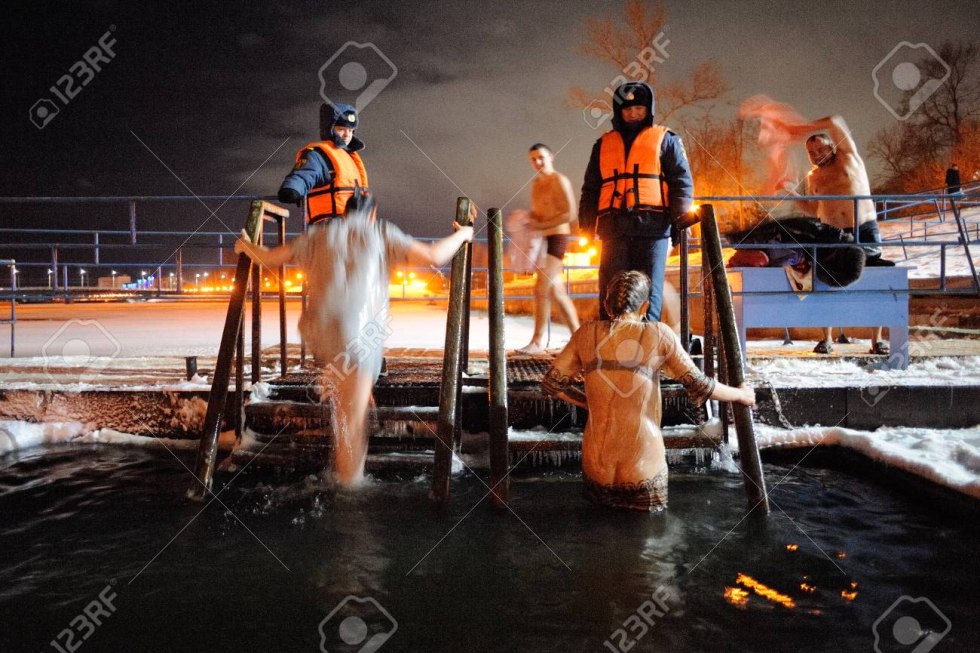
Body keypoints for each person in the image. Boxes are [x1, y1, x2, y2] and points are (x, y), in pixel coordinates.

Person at [235, 194, 474, 486]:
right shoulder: (381, 233)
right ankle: (351, 498)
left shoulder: (318, 235)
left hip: (321, 336)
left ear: (344, 214)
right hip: (360, 338)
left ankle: (346, 389)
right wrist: (463, 233)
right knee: (352, 422)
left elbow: (268, 258)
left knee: (345, 395)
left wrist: (246, 245)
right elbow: (435, 256)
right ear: (372, 215)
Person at [542, 271, 755, 511]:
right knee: (651, 540)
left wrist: (588, 403)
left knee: (599, 540)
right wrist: (740, 394)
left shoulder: (586, 334)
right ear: (645, 307)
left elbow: (552, 384)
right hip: (644, 468)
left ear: (606, 304)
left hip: (596, 468)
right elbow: (700, 385)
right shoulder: (658, 333)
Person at [579, 81, 694, 324]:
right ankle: (609, 340)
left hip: (653, 228)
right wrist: (586, 223)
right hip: (614, 228)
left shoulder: (667, 140)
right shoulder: (602, 145)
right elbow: (591, 188)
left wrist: (681, 221)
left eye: (639, 109)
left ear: (648, 110)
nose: (633, 114)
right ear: (619, 111)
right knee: (611, 287)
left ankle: (647, 342)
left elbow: (680, 182)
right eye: (628, 109)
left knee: (650, 287)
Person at [780, 115, 889, 355]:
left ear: (832, 146)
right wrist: (793, 195)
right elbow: (814, 208)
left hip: (862, 228)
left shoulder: (849, 158)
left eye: (821, 148)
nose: (817, 154)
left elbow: (835, 120)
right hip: (832, 234)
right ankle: (826, 339)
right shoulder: (813, 176)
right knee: (825, 282)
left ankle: (877, 340)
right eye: (811, 152)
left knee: (873, 280)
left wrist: (799, 129)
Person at [516, 143, 581, 354]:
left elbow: (570, 213)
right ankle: (580, 340)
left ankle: (537, 341)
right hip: (541, 239)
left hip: (558, 237)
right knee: (558, 292)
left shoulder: (559, 180)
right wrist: (525, 220)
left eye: (541, 157)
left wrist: (542, 224)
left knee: (541, 287)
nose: (538, 162)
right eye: (533, 159)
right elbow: (538, 214)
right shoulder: (536, 184)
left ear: (551, 157)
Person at [278, 103, 368, 225]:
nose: (347, 135)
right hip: (328, 227)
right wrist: (292, 188)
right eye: (341, 129)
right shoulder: (319, 155)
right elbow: (305, 173)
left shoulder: (350, 158)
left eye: (351, 130)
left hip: (353, 227)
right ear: (329, 129)